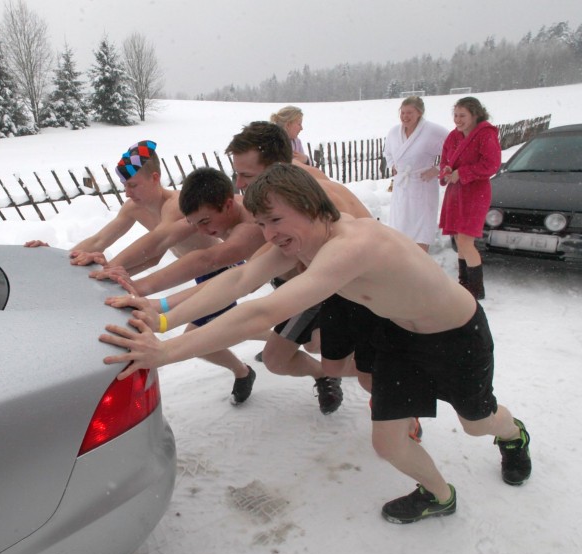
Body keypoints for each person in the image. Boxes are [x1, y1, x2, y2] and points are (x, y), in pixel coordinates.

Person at [101, 162, 531, 524]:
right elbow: (238, 279)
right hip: (400, 338)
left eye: (275, 220)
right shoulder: (303, 239)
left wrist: (166, 352)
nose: (269, 234)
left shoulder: (353, 245)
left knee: (477, 423)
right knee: (388, 444)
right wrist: (161, 318)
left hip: (457, 336)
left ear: (309, 207)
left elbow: (262, 311)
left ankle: (513, 436)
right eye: (262, 222)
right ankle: (440, 496)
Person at [26, 141, 256, 404]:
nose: (127, 192)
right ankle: (273, 343)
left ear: (155, 178)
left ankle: (245, 370)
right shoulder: (133, 209)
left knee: (199, 340)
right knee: (229, 327)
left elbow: (157, 248)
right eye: (124, 186)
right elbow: (99, 240)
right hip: (198, 271)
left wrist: (118, 273)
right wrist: (60, 258)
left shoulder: (176, 205)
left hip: (220, 270)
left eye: (133, 185)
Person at [226, 121, 372, 415]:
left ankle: (396, 386)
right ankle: (326, 374)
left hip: (359, 293)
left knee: (336, 354)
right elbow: (249, 271)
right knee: (278, 359)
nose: (239, 185)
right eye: (236, 174)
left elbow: (242, 271)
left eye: (246, 175)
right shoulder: (283, 192)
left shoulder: (315, 200)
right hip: (318, 288)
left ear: (277, 169)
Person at [439, 97, 502, 300]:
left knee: (466, 240)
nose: (458, 120)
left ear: (475, 115)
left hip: (476, 192)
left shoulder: (486, 135)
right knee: (459, 238)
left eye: (462, 116)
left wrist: (464, 173)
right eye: (455, 115)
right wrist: (447, 170)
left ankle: (475, 289)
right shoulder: (453, 137)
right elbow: (445, 161)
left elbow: (491, 164)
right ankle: (464, 283)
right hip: (456, 192)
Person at [384, 96, 449, 252]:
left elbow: (454, 150)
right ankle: (402, 264)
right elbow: (387, 152)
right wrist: (392, 165)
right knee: (399, 227)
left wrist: (438, 169)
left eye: (410, 113)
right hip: (402, 185)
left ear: (419, 113)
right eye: (403, 112)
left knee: (420, 228)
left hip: (422, 184)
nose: (405, 117)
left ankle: (421, 264)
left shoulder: (432, 131)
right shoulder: (394, 132)